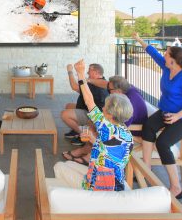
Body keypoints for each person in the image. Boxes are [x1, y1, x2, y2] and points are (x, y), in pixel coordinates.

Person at [132, 32, 182, 199]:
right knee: (148, 127)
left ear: (173, 60)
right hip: (165, 112)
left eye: (167, 53)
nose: (164, 54)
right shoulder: (166, 66)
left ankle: (176, 188)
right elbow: (152, 52)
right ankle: (146, 169)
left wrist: (177, 117)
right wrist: (139, 39)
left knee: (162, 143)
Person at [55, 59, 134, 191]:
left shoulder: (105, 128)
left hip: (96, 185)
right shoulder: (127, 134)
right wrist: (93, 140)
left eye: (105, 107)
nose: (102, 108)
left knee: (59, 166)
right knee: (68, 164)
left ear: (109, 114)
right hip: (116, 184)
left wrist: (80, 74)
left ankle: (79, 199)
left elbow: (89, 100)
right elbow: (108, 150)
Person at [63, 75, 148, 164]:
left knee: (95, 129)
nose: (107, 91)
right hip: (124, 132)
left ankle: (87, 154)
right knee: (92, 125)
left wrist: (93, 138)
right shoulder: (127, 89)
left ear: (118, 91)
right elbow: (106, 85)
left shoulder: (127, 106)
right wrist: (88, 79)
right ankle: (84, 151)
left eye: (109, 90)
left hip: (133, 130)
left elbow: (90, 103)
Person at [62, 63, 108, 147]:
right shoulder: (99, 81)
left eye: (89, 70)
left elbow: (75, 87)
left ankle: (84, 135)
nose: (87, 72)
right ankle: (77, 130)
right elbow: (81, 88)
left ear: (96, 72)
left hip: (93, 115)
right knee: (69, 106)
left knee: (64, 114)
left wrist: (70, 71)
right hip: (87, 108)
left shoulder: (97, 85)